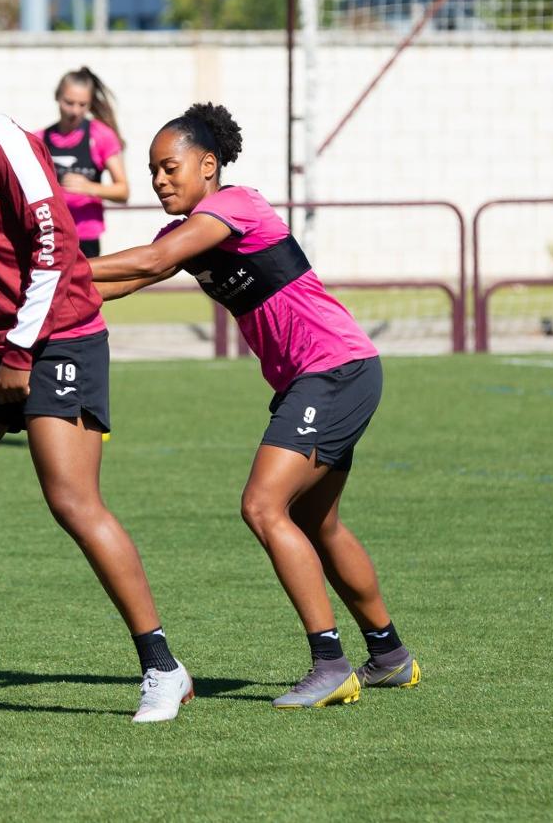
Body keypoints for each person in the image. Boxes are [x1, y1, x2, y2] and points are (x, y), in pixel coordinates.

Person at [0, 26, 192, 724]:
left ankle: (163, 668)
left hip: (58, 336)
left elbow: (54, 246)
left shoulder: (1, 141)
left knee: (71, 501)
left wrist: (22, 353)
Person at [90, 102, 421, 709]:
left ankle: (329, 663)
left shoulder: (236, 206)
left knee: (264, 506)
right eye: (153, 170)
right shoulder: (186, 234)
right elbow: (125, 279)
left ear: (209, 165)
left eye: (170, 167)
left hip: (335, 370)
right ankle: (390, 656)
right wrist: (33, 296)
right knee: (318, 523)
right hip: (321, 378)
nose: (159, 180)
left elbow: (153, 261)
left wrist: (56, 273)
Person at [35, 67, 129, 258]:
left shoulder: (101, 136)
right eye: (69, 103)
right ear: (57, 97)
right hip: (49, 234)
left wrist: (89, 187)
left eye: (82, 104)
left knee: (86, 288)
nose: (75, 111)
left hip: (86, 237)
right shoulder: (39, 139)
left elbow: (123, 191)